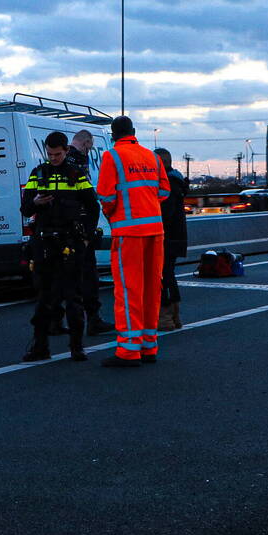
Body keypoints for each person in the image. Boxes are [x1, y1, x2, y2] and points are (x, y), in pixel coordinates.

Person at [96, 116, 170, 367]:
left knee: (129, 291)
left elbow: (106, 196)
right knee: (151, 288)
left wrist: (114, 214)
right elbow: (164, 192)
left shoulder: (112, 157)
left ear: (113, 134)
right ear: (134, 132)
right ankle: (149, 346)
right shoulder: (152, 156)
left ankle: (128, 351)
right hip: (155, 231)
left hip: (128, 234)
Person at [20, 131, 99, 362]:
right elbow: (25, 209)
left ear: (66, 150)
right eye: (50, 154)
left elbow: (93, 208)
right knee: (44, 298)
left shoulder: (76, 175)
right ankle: (40, 347)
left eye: (57, 154)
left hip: (70, 243)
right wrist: (35, 203)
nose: (53, 158)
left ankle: (77, 347)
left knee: (73, 297)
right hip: (44, 242)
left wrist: (86, 238)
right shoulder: (38, 173)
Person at [64, 129, 115, 336]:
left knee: (67, 278)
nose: (89, 151)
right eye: (89, 147)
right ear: (85, 143)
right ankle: (93, 320)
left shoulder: (59, 163)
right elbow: (88, 200)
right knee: (87, 275)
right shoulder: (77, 163)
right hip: (80, 228)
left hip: (65, 227)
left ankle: (66, 322)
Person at [154, 148, 188, 331]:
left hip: (166, 238)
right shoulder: (177, 181)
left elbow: (164, 215)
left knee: (163, 277)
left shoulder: (166, 186)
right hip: (176, 237)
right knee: (169, 275)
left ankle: (166, 318)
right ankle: (174, 317)